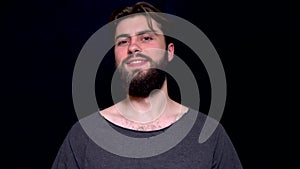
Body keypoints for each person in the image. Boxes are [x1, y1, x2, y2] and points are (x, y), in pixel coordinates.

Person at [51, 1, 243, 168]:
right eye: (123, 41)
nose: (133, 47)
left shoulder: (208, 135)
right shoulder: (83, 136)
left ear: (169, 52)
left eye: (146, 38)